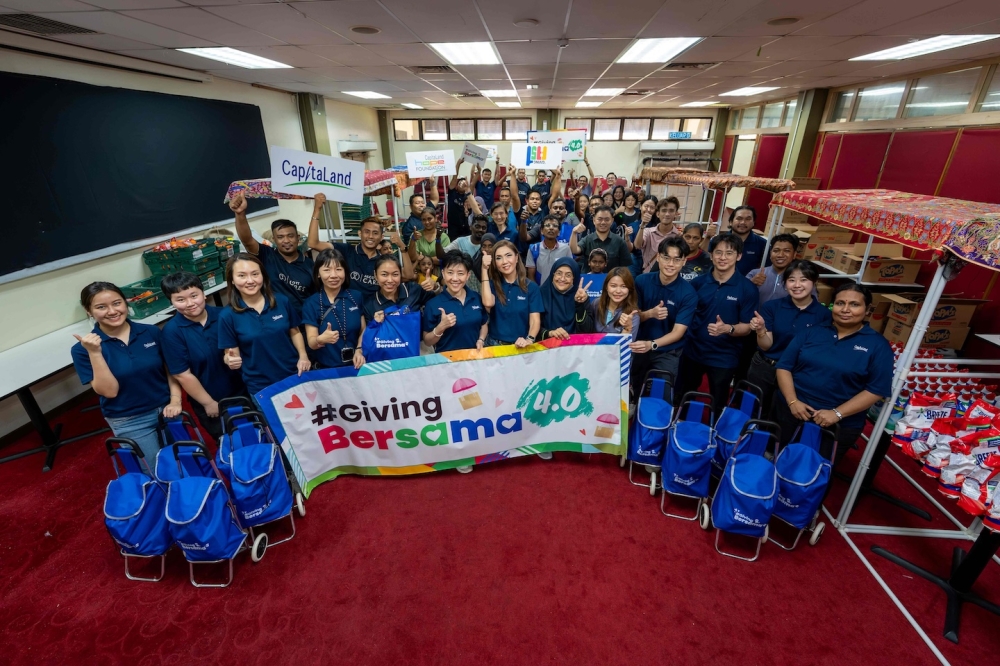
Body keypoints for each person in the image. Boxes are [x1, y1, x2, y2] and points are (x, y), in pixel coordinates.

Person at [775, 283, 894, 461]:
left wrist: (837, 413)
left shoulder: (878, 346)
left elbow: (876, 389)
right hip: (791, 413)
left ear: (867, 310)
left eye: (854, 304)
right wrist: (793, 402)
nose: (845, 309)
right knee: (777, 459)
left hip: (838, 424)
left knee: (812, 476)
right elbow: (784, 367)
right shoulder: (812, 333)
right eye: (840, 303)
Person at [71, 282, 183, 462]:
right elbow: (109, 391)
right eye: (101, 307)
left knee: (186, 459)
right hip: (129, 419)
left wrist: (176, 400)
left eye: (117, 303)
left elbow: (171, 371)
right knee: (156, 472)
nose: (112, 311)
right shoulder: (82, 349)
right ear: (89, 311)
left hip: (168, 409)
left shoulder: (151, 332)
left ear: (126, 303)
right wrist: (95, 352)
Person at [675, 233, 758, 414]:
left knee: (718, 403)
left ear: (739, 256)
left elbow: (747, 327)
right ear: (711, 255)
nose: (722, 257)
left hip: (724, 356)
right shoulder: (697, 283)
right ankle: (678, 430)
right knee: (683, 397)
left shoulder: (747, 289)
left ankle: (713, 435)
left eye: (729, 253)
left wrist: (727, 329)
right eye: (718, 252)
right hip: (692, 351)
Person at [160, 272, 245, 442]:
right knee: (230, 445)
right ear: (171, 302)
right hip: (211, 399)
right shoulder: (172, 332)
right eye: (180, 299)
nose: (190, 303)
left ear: (203, 293)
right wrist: (208, 403)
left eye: (194, 295)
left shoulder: (225, 315)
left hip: (243, 391)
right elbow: (182, 374)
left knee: (258, 435)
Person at [218, 253, 311, 397]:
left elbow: (295, 331)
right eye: (242, 276)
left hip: (295, 374)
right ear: (232, 280)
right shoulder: (227, 316)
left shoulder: (282, 301)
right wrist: (229, 360)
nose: (250, 280)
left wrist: (303, 356)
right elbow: (230, 353)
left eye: (255, 274)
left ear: (263, 275)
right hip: (260, 385)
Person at [747, 260, 831, 418]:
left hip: (796, 373)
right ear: (785, 284)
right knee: (755, 411)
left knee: (783, 416)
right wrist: (761, 330)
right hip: (765, 368)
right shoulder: (772, 307)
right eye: (792, 280)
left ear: (814, 283)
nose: (797, 285)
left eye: (804, 279)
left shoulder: (824, 315)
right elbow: (766, 346)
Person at [630, 237, 698, 395]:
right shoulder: (641, 281)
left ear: (684, 261)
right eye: (666, 257)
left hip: (668, 352)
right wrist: (650, 313)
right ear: (658, 257)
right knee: (634, 389)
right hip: (639, 346)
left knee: (662, 394)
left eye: (676, 259)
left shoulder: (688, 293)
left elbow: (678, 332)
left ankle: (660, 417)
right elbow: (632, 315)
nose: (671, 264)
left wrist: (652, 344)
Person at [229, 191, 314, 313]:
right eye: (280, 237)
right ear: (274, 240)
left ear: (298, 238)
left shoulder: (310, 265)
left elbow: (316, 298)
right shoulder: (267, 255)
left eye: (290, 236)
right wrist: (240, 214)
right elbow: (247, 240)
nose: (286, 240)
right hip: (274, 319)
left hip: (302, 321)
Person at [308, 204, 397, 296]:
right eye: (367, 232)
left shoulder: (382, 261)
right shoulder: (346, 251)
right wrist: (317, 209)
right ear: (360, 233)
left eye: (375, 233)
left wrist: (403, 248)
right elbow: (313, 243)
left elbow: (405, 277)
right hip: (347, 307)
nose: (370, 236)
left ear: (381, 237)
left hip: (373, 308)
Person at [301, 248, 366, 370]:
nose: (334, 275)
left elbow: (363, 329)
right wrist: (321, 339)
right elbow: (311, 342)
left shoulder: (356, 296)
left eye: (339, 269)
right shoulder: (311, 303)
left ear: (345, 272)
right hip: (327, 370)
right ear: (318, 274)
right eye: (327, 270)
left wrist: (359, 349)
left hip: (356, 366)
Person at [480, 240, 543, 349]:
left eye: (508, 255)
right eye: (498, 258)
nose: (504, 261)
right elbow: (488, 303)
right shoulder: (492, 285)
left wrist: (529, 339)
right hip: (494, 346)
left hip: (520, 346)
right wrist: (484, 269)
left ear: (517, 257)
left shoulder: (531, 287)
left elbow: (535, 319)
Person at [423, 250, 488, 354]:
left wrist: (481, 339)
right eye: (450, 273)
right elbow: (427, 341)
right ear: (443, 273)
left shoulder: (476, 298)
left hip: (474, 360)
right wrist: (441, 327)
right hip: (447, 363)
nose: (455, 278)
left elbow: (484, 324)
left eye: (460, 273)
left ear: (468, 275)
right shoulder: (433, 304)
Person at [363, 254, 438, 323]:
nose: (390, 280)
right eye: (384, 274)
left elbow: (438, 299)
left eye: (395, 274)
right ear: (375, 275)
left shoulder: (413, 290)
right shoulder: (370, 305)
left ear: (401, 274)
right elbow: (368, 334)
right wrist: (375, 324)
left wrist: (435, 286)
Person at [706, 205, 767, 276]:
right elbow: (704, 260)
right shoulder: (717, 240)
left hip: (747, 285)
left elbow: (767, 269)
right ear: (731, 221)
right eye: (739, 218)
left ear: (753, 222)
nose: (743, 222)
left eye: (748, 219)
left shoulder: (762, 244)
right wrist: (707, 237)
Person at [539, 258, 589, 340]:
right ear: (553, 274)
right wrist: (550, 333)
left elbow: (587, 331)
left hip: (574, 349)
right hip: (546, 349)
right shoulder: (540, 294)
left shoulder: (581, 296)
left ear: (574, 278)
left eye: (568, 275)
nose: (562, 279)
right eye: (559, 273)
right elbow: (531, 327)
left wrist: (579, 304)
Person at [571, 206, 632, 270]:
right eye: (600, 219)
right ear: (594, 220)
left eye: (607, 219)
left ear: (612, 221)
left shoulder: (619, 241)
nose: (603, 222)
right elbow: (574, 250)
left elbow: (625, 266)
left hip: (611, 278)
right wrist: (574, 233)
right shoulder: (587, 239)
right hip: (590, 278)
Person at [746, 234, 801, 305]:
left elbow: (810, 306)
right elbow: (738, 297)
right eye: (776, 250)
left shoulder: (802, 279)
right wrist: (751, 283)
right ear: (770, 253)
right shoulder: (755, 274)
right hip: (755, 316)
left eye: (787, 251)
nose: (780, 255)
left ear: (794, 254)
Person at [586, 267, 637, 334]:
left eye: (623, 286)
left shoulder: (633, 315)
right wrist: (581, 303)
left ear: (629, 289)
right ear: (606, 287)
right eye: (613, 286)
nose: (618, 291)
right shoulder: (596, 303)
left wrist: (627, 329)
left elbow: (625, 344)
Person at [635, 196, 679, 273]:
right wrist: (642, 226)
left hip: (669, 276)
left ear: (676, 214)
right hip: (649, 275)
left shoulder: (678, 236)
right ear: (658, 214)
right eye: (664, 210)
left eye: (671, 211)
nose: (667, 214)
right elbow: (637, 245)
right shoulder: (648, 232)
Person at [526, 215, 574, 284]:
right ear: (542, 231)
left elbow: (569, 272)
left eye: (555, 226)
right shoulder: (534, 249)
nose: (551, 228)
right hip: (541, 291)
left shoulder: (566, 248)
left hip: (560, 290)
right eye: (547, 225)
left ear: (559, 232)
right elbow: (531, 277)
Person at [446, 159, 473, 238]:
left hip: (465, 227)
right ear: (456, 186)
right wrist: (458, 164)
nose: (462, 184)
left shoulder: (468, 196)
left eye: (464, 183)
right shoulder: (452, 193)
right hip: (453, 227)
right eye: (460, 183)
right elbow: (454, 178)